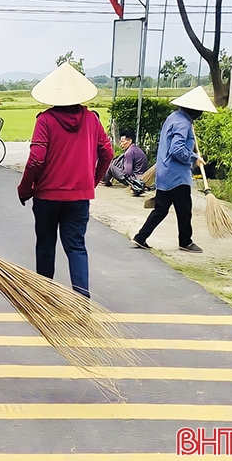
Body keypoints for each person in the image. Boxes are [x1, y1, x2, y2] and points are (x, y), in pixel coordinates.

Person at [17, 62, 113, 298]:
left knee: (46, 247)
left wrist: (25, 187)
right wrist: (92, 181)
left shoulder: (45, 121)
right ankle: (82, 300)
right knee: (76, 247)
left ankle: (45, 298)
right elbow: (108, 153)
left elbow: (36, 160)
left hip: (47, 197)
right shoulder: (92, 119)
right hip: (79, 198)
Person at [132, 86, 213, 253]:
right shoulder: (183, 123)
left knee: (161, 209)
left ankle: (141, 237)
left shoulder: (174, 117)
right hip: (176, 176)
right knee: (184, 210)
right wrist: (193, 157)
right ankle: (185, 241)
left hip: (165, 172)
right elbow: (177, 149)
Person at [101, 130, 149, 195]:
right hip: (141, 177)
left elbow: (127, 172)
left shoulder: (129, 152)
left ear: (129, 141)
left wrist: (117, 171)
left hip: (132, 180)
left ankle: (105, 181)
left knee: (111, 166)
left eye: (123, 142)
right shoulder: (136, 149)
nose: (121, 144)